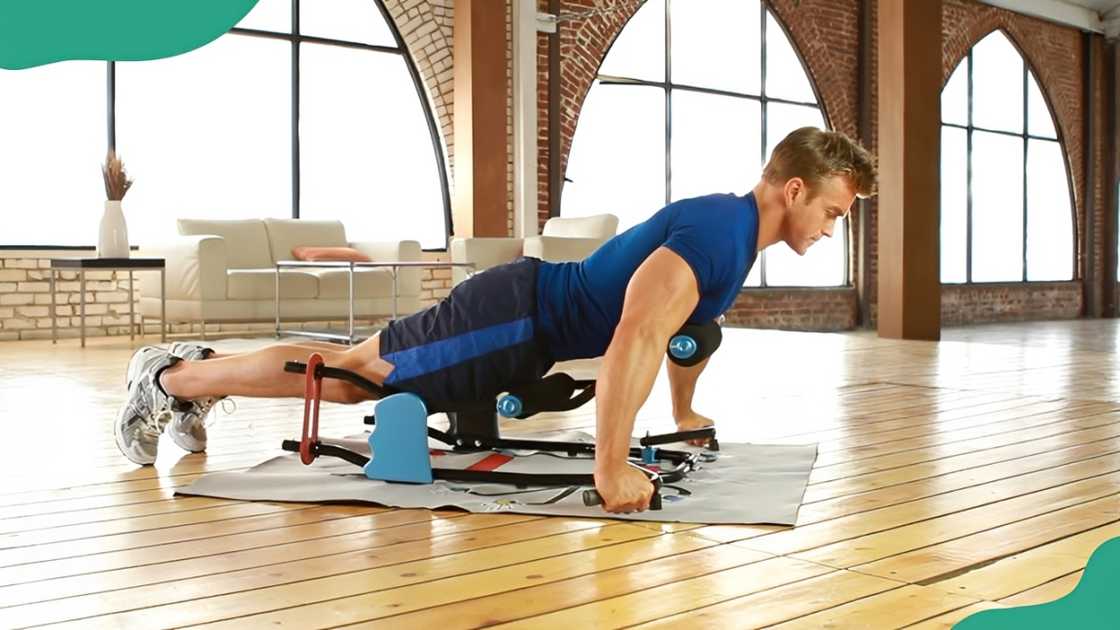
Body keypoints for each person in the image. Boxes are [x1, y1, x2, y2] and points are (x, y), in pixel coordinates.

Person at [114, 126, 876, 513]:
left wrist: (683, 410)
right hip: (513, 317)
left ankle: (185, 374)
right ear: (796, 188)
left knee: (356, 368)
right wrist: (611, 467)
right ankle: (170, 376)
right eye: (834, 212)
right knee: (353, 379)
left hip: (527, 320)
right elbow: (637, 337)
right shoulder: (718, 233)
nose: (833, 226)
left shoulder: (738, 233)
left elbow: (689, 333)